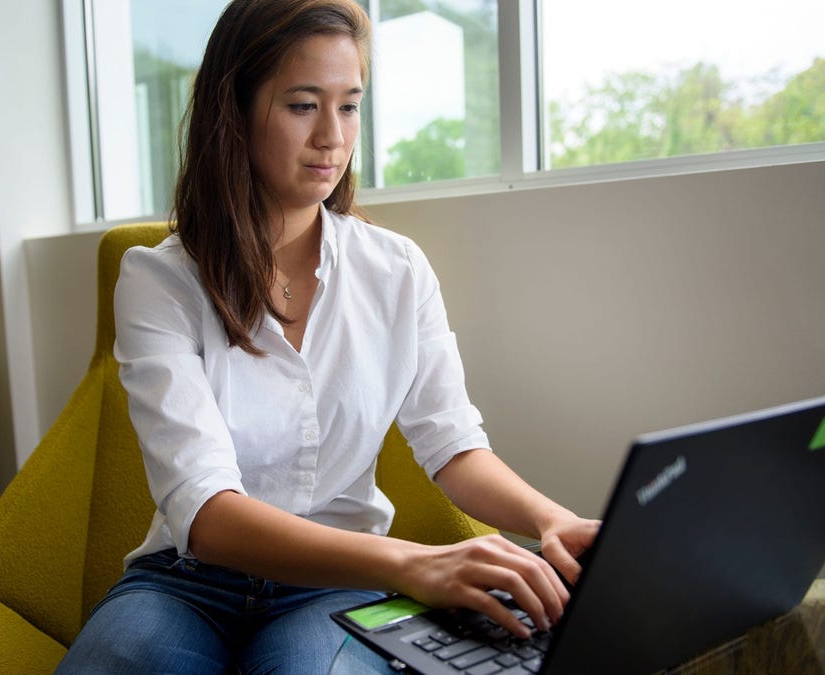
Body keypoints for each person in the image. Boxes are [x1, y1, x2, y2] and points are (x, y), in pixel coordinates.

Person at [56, 1, 599, 672]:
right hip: (186, 581)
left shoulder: (397, 271)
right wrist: (414, 563)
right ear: (235, 110)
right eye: (302, 105)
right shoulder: (157, 279)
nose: (332, 139)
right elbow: (206, 511)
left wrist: (551, 520)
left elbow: (453, 443)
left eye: (348, 106)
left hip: (335, 588)